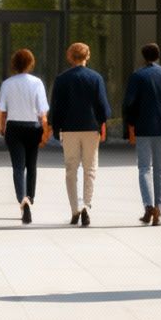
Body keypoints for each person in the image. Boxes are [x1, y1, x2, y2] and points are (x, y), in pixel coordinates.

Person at [122, 43, 161, 226]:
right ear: (158, 55)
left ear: (143, 56)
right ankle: (158, 208)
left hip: (143, 128)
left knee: (144, 168)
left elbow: (128, 104)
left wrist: (130, 126)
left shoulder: (137, 76)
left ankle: (148, 206)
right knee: (160, 169)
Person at [50, 43, 110, 226]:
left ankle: (75, 208)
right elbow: (102, 105)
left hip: (69, 129)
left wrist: (55, 127)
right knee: (90, 169)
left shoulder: (61, 79)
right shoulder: (95, 78)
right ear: (88, 56)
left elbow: (56, 107)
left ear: (70, 56)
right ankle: (86, 205)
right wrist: (102, 123)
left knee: (71, 169)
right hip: (91, 128)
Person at [0, 47, 51, 224]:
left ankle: (22, 199)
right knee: (31, 165)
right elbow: (43, 112)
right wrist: (46, 132)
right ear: (31, 63)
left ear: (14, 64)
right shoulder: (37, 83)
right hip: (33, 128)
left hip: (14, 128)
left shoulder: (7, 84)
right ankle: (30, 198)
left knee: (18, 167)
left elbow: (0, 109)